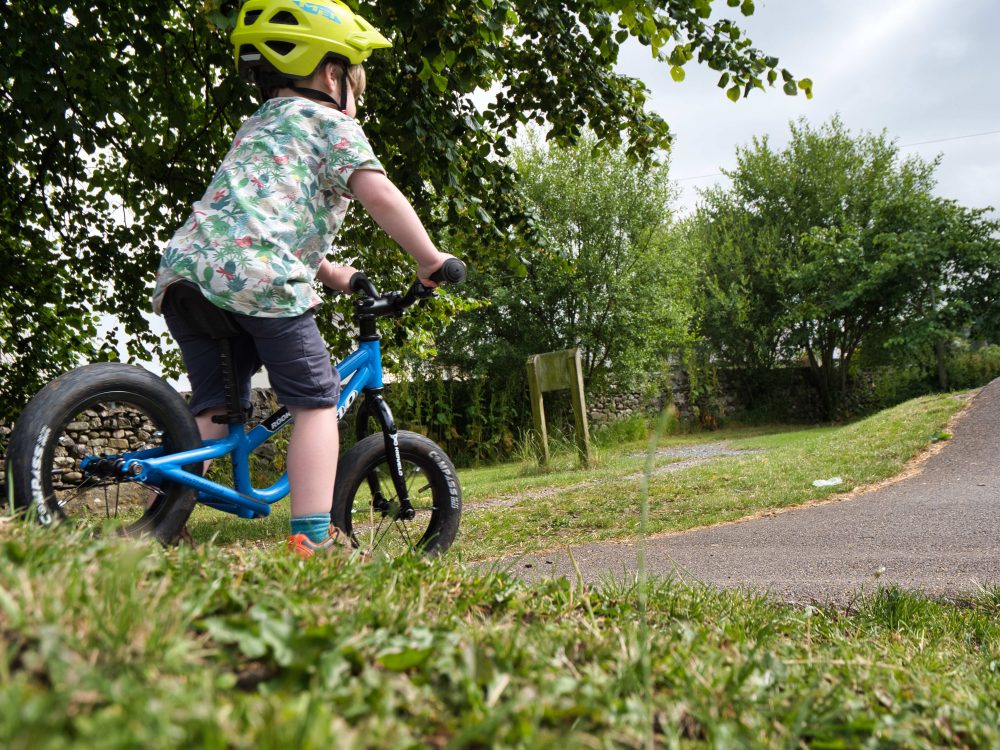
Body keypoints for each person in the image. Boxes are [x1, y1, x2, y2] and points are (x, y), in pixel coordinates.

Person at [151, 0, 455, 558]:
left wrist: (329, 270)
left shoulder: (258, 126)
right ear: (334, 74)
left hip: (187, 275)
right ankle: (314, 540)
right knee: (318, 399)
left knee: (215, 408)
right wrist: (428, 257)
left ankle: (160, 512)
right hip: (259, 279)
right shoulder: (331, 123)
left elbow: (259, 216)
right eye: (357, 90)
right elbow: (379, 194)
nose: (355, 104)